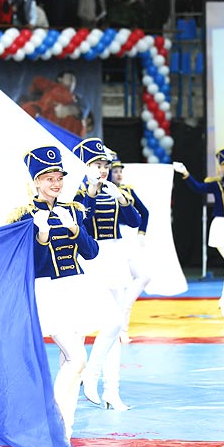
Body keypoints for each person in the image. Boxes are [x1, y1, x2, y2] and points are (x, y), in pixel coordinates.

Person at [6, 145, 100, 447]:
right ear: (36, 181)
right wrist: (41, 238)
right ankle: (51, 424)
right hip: (47, 292)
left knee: (69, 365)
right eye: (48, 178)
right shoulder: (23, 216)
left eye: (59, 177)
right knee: (78, 359)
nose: (56, 183)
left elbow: (91, 252)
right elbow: (26, 265)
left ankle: (64, 439)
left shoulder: (73, 210)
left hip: (76, 288)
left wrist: (75, 229)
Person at [73, 137, 141, 410]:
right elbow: (82, 222)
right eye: (96, 165)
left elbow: (135, 221)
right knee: (88, 325)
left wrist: (123, 201)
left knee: (114, 328)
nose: (102, 170)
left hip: (115, 257)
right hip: (91, 259)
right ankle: (86, 375)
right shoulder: (75, 193)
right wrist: (90, 193)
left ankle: (112, 391)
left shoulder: (114, 190)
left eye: (105, 165)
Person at [173, 146, 224, 325]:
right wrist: (185, 172)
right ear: (221, 167)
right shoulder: (216, 184)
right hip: (221, 228)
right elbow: (198, 188)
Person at [109, 151, 150, 343]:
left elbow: (145, 212)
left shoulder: (128, 190)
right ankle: (119, 329)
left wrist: (141, 233)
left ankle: (124, 316)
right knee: (117, 285)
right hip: (112, 239)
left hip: (129, 238)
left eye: (120, 171)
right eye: (115, 171)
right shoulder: (103, 191)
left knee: (143, 276)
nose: (118, 174)